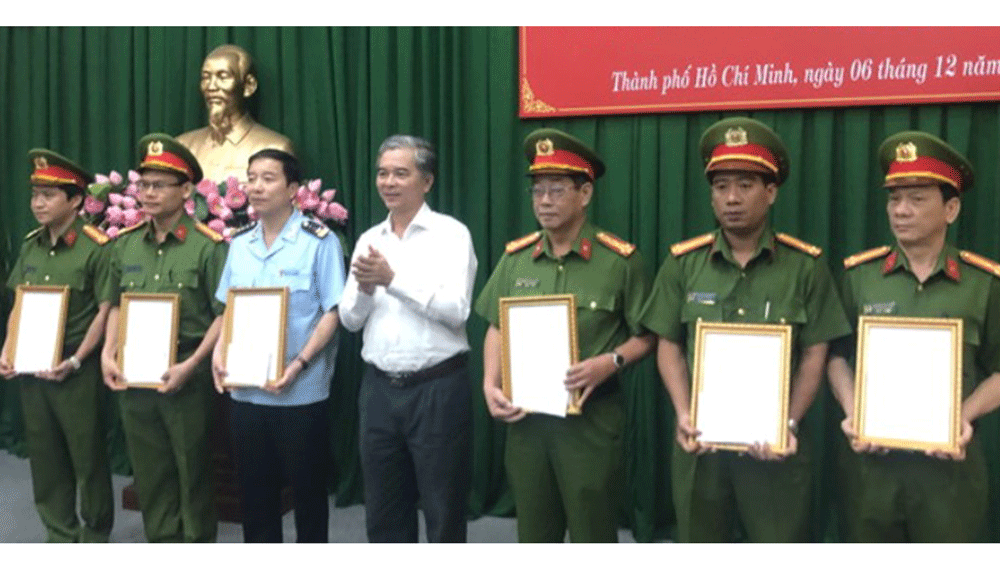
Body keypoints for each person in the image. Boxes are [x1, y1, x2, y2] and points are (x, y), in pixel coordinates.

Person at [639, 117, 850, 542]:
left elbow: (815, 353)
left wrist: (788, 422)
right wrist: (683, 412)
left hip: (775, 450)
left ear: (771, 192)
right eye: (720, 187)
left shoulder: (805, 267)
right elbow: (668, 345)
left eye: (745, 185)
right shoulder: (682, 264)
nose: (731, 198)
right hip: (702, 446)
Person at [476, 128, 654, 543]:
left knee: (593, 532)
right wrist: (490, 383)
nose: (544, 201)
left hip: (590, 422)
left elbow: (648, 336)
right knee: (535, 533)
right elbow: (495, 326)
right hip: (527, 424)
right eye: (538, 191)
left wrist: (610, 362)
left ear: (585, 194)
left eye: (557, 190)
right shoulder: (515, 258)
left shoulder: (620, 261)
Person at [828, 131, 1000, 542]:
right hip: (871, 474)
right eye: (894, 198)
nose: (900, 211)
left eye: (917, 198)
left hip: (949, 475)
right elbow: (836, 357)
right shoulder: (859, 277)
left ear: (952, 208)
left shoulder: (984, 284)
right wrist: (854, 412)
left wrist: (963, 415)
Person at [339, 134, 477, 542]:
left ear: (427, 181)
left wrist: (392, 280)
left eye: (401, 173)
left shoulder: (451, 234)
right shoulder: (369, 239)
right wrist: (365, 290)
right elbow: (349, 321)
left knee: (443, 508)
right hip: (379, 390)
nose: (389, 182)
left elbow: (457, 310)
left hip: (437, 389)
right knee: (383, 509)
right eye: (383, 173)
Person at [211, 148, 345, 542]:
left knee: (308, 499)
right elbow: (228, 309)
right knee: (255, 499)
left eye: (268, 178)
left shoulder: (318, 242)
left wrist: (299, 364)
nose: (256, 186)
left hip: (300, 393)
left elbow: (333, 313)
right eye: (251, 177)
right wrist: (219, 353)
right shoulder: (239, 244)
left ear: (293, 189)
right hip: (247, 394)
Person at [100, 133, 228, 542]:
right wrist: (107, 352)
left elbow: (225, 315)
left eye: (159, 185)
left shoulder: (208, 248)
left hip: (185, 374)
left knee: (192, 473)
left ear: (186, 190)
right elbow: (117, 303)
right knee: (150, 473)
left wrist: (192, 366)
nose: (148, 194)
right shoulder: (125, 245)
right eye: (143, 185)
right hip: (134, 377)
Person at [0, 149, 114, 542]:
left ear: (76, 199)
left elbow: (105, 312)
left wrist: (78, 360)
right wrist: (9, 348)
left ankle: (95, 533)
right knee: (45, 456)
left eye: (49, 195)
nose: (38, 203)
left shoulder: (95, 247)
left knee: (87, 456)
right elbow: (19, 301)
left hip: (75, 372)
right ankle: (59, 533)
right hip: (33, 368)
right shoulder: (31, 246)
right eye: (35, 195)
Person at [177, 44, 294, 182]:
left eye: (223, 76)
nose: (211, 86)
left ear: (248, 86)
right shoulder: (184, 147)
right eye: (206, 78)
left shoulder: (276, 148)